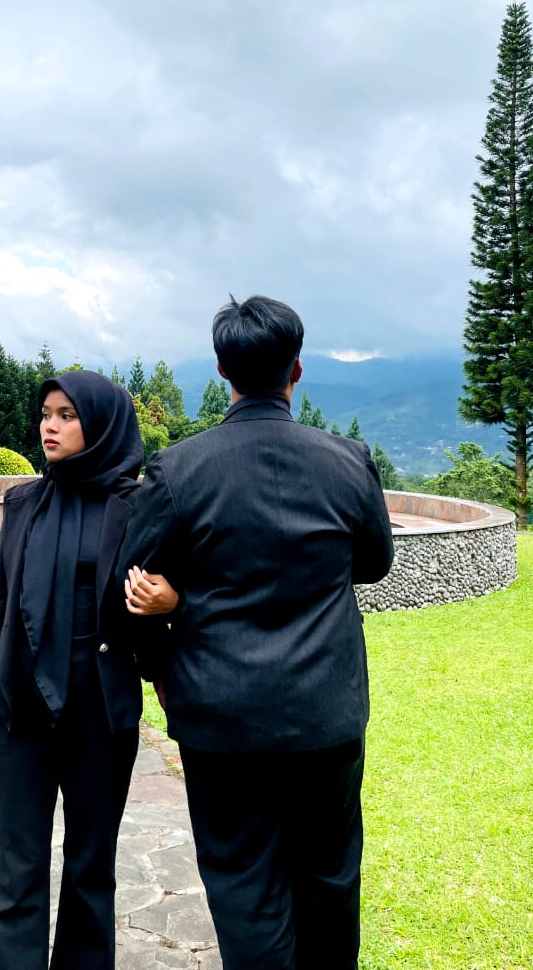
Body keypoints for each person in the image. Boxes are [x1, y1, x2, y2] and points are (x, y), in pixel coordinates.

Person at [121, 296, 395, 970]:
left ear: (222, 370)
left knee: (243, 885)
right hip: (327, 712)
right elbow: (374, 564)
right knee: (330, 877)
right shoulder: (348, 461)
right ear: (296, 368)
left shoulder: (177, 470)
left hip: (219, 717)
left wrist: (167, 654)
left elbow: (132, 589)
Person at [0, 370, 175, 970]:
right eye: (45, 414)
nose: (48, 427)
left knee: (90, 868)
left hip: (100, 712)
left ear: (101, 425)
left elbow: (158, 603)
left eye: (66, 415)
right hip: (23, 710)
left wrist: (170, 604)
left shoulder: (136, 507)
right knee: (16, 868)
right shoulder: (23, 503)